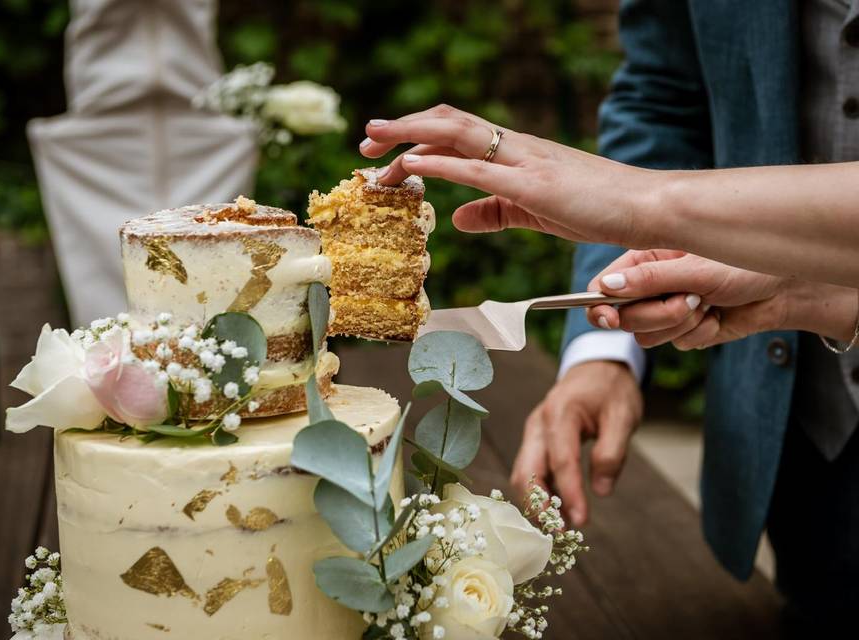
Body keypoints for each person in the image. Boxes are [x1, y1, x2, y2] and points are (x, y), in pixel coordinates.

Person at [358, 0, 859, 627]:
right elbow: (664, 96)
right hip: (810, 444)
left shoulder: (651, 203)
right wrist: (604, 352)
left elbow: (641, 192)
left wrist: (646, 201)